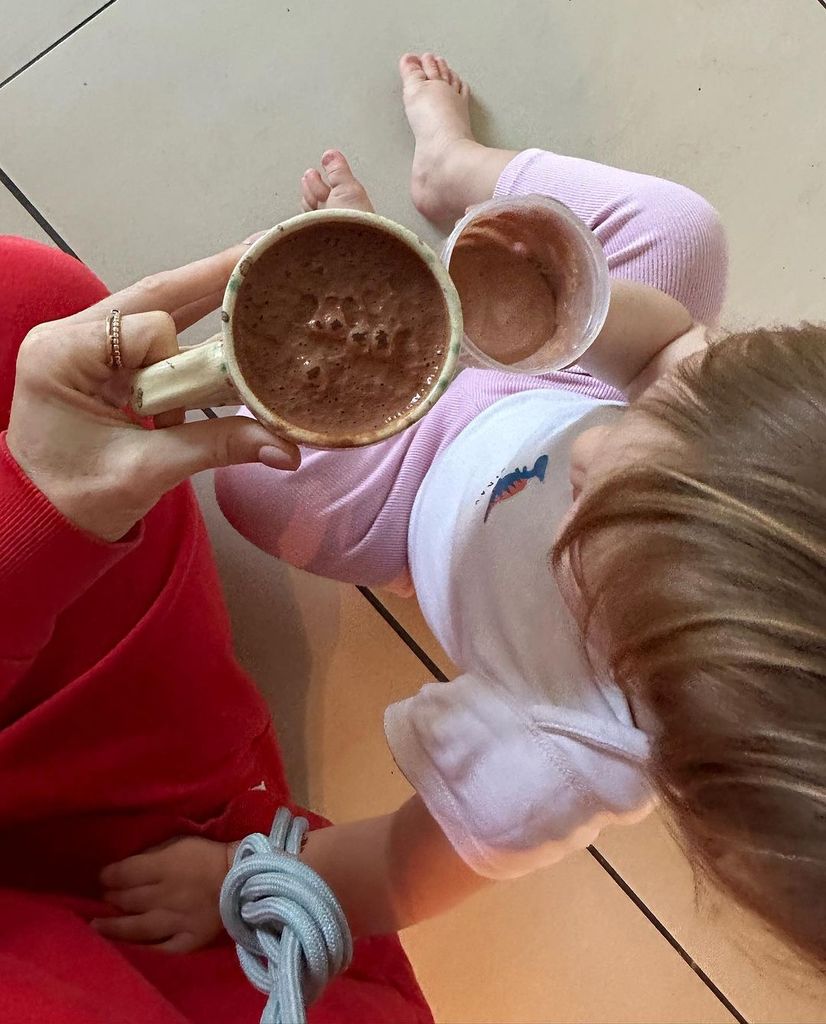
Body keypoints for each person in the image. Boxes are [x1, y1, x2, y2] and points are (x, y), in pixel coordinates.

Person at [109, 51, 826, 969]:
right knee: (682, 230)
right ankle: (455, 176)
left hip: (409, 496)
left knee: (254, 488)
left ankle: (407, 314)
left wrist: (228, 885)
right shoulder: (735, 445)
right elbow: (669, 353)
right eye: (673, 425)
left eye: (593, 517)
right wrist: (562, 315)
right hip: (543, 369)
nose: (592, 447)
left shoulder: (561, 756)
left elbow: (398, 871)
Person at [0, 237, 433, 1022]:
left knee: (30, 311)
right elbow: (454, 849)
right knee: (35, 311)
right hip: (180, 864)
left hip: (108, 862)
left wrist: (34, 517)